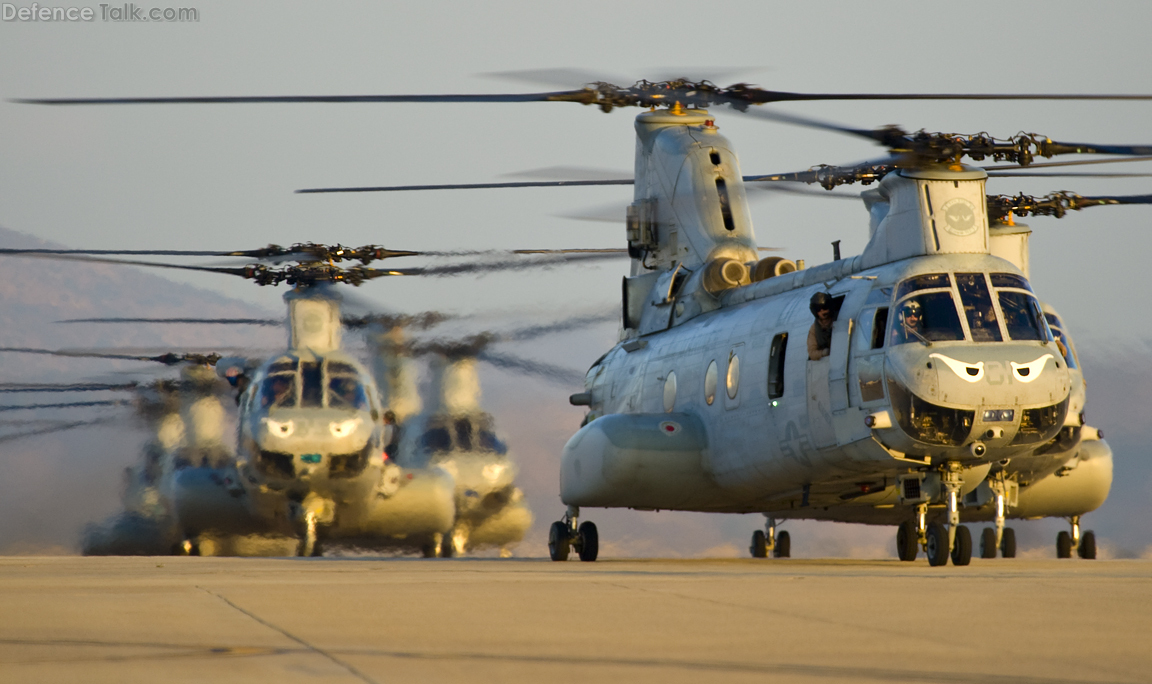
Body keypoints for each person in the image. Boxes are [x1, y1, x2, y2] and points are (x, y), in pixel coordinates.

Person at [807, 292, 834, 360]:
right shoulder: (814, 329)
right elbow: (812, 353)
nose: (822, 311)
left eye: (824, 307)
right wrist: (824, 353)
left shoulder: (838, 320)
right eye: (818, 309)